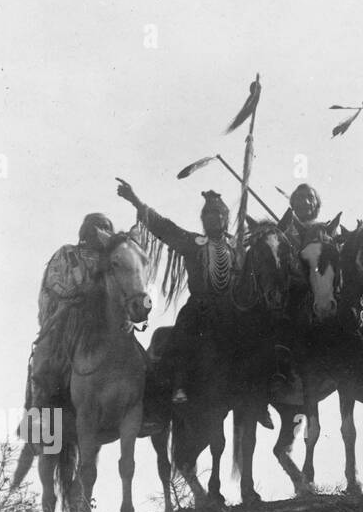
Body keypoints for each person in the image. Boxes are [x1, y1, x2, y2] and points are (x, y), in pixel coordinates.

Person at [116, 180, 274, 428]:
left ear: (226, 218)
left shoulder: (238, 246)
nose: (213, 220)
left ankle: (259, 402)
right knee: (178, 340)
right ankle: (174, 392)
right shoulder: (193, 242)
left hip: (233, 311)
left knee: (260, 344)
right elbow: (164, 228)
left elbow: (269, 253)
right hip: (200, 309)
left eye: (218, 215)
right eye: (208, 215)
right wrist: (136, 201)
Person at [27, 213, 117, 411]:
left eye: (106, 228)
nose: (102, 232)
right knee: (44, 353)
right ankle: (40, 407)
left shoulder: (111, 259)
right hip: (69, 313)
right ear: (86, 231)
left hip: (102, 316)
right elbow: (53, 280)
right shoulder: (67, 252)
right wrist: (75, 293)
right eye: (97, 228)